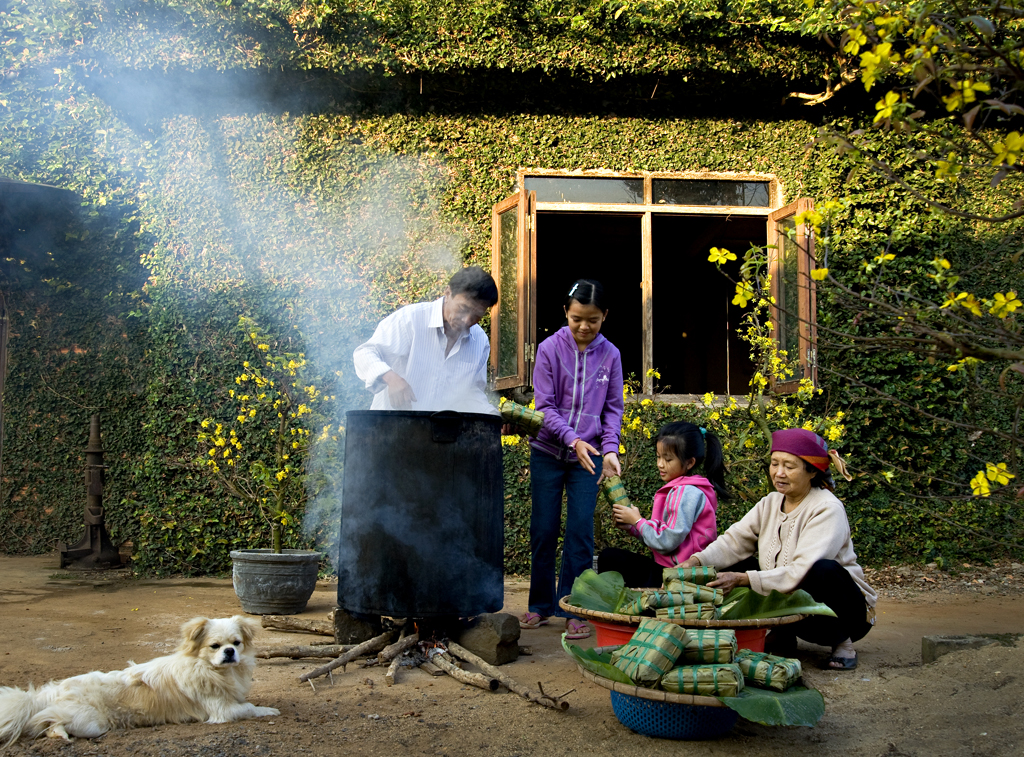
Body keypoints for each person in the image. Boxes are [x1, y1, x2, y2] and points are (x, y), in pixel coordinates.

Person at [679, 427, 876, 670]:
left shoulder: (827, 508)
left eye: (789, 466)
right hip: (791, 604)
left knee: (822, 570)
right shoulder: (770, 503)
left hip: (845, 613)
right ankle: (783, 632)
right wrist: (696, 561)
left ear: (812, 471)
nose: (779, 473)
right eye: (774, 464)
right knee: (735, 563)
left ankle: (842, 641)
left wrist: (742, 579)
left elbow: (800, 571)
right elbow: (734, 541)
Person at [518, 279, 624, 640]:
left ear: (604, 316)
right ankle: (539, 605)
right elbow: (545, 407)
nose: (584, 326)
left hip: (588, 459)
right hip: (548, 452)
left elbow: (612, 410)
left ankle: (574, 608)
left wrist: (609, 449)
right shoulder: (549, 349)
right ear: (566, 312)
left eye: (592, 320)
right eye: (577, 318)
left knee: (580, 533)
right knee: (543, 530)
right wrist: (572, 439)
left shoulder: (611, 355)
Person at [353, 266, 499, 415]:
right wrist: (391, 378)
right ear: (448, 293)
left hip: (439, 435)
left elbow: (471, 393)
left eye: (477, 314)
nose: (467, 320)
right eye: (463, 308)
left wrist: (494, 417)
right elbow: (364, 353)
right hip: (390, 428)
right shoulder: (410, 319)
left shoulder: (480, 341)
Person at [597, 421, 725, 587]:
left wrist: (638, 521)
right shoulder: (683, 488)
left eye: (668, 459)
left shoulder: (686, 493)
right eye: (658, 457)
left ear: (690, 463)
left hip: (679, 577)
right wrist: (632, 527)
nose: (660, 464)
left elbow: (666, 542)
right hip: (669, 571)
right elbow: (661, 537)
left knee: (610, 558)